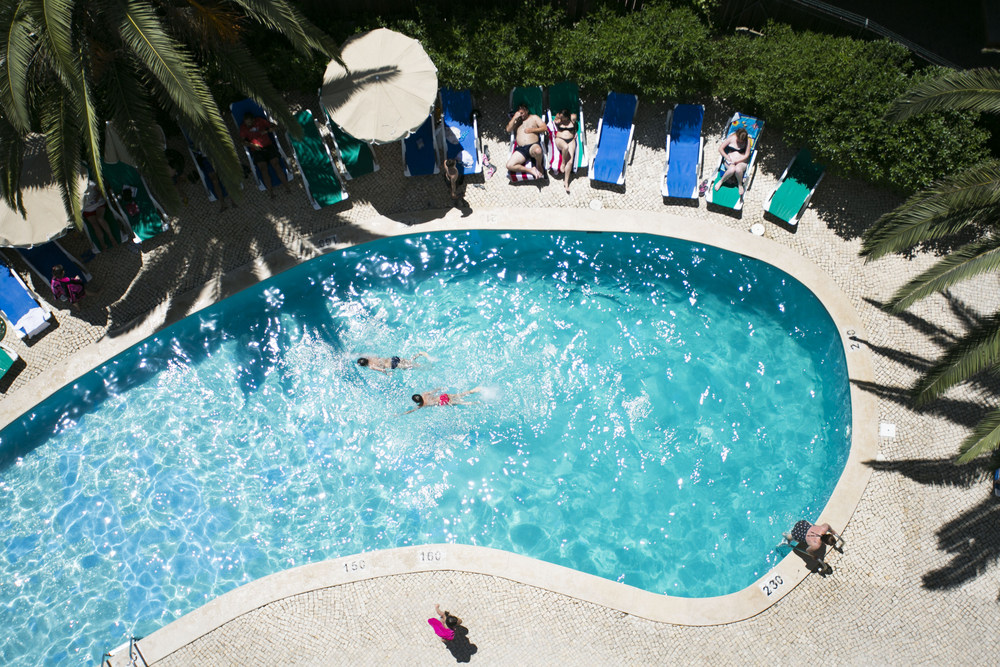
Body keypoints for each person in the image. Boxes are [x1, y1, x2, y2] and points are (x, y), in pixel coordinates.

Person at [239, 111, 290, 198]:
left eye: (249, 123)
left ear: (253, 120)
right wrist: (252, 145)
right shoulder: (243, 128)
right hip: (257, 150)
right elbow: (242, 141)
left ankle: (287, 187)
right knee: (263, 169)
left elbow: (275, 127)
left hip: (268, 146)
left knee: (276, 165)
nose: (248, 125)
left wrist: (266, 131)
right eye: (246, 123)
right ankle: (271, 193)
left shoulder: (260, 121)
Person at [505, 104, 546, 179]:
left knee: (538, 151)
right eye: (519, 113)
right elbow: (508, 129)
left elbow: (544, 127)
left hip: (533, 145)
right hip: (521, 149)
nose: (521, 115)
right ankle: (531, 170)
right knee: (509, 165)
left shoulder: (534, 117)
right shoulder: (517, 121)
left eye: (522, 113)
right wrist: (514, 117)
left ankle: (539, 165)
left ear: (527, 111)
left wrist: (532, 130)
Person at [714, 127, 752, 195]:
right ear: (737, 135)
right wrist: (727, 157)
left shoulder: (747, 141)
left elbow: (747, 155)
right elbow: (720, 149)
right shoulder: (732, 138)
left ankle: (740, 184)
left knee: (738, 170)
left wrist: (737, 161)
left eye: (742, 141)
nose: (740, 142)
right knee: (732, 169)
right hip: (730, 159)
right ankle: (721, 181)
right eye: (739, 140)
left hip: (741, 161)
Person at [552, 109, 578, 193]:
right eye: (560, 117)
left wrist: (575, 132)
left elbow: (574, 117)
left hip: (571, 140)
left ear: (567, 117)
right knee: (565, 147)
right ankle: (563, 163)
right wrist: (558, 118)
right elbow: (555, 121)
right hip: (560, 139)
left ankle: (566, 182)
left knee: (570, 162)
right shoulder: (558, 119)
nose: (561, 118)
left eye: (563, 117)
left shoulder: (572, 118)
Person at [82, 182, 115, 248]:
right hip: (88, 209)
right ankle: (102, 243)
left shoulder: (88, 183)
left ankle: (111, 237)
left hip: (98, 204)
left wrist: (98, 196)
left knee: (100, 219)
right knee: (95, 225)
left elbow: (101, 189)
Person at [404, 387, 482, 414]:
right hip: (443, 396)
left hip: (443, 402)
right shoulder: (424, 394)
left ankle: (475, 403)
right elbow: (433, 391)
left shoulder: (422, 404)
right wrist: (439, 388)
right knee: (460, 395)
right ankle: (472, 391)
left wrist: (404, 413)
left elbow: (413, 410)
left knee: (461, 403)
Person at [357, 352, 428, 374]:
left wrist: (387, 374)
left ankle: (425, 367)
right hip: (393, 358)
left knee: (411, 366)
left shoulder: (371, 366)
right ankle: (418, 354)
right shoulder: (370, 357)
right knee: (409, 361)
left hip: (393, 365)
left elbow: (383, 370)